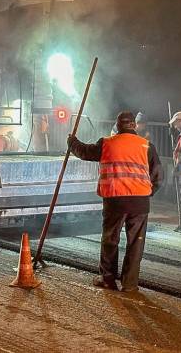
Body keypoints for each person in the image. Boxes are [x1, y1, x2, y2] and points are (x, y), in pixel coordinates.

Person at [68, 111, 163, 292]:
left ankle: (107, 279)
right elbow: (158, 177)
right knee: (136, 244)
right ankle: (130, 284)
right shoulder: (147, 146)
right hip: (140, 203)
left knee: (110, 239)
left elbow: (84, 152)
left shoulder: (107, 143)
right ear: (134, 126)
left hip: (115, 200)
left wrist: (72, 142)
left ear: (117, 126)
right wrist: (146, 193)